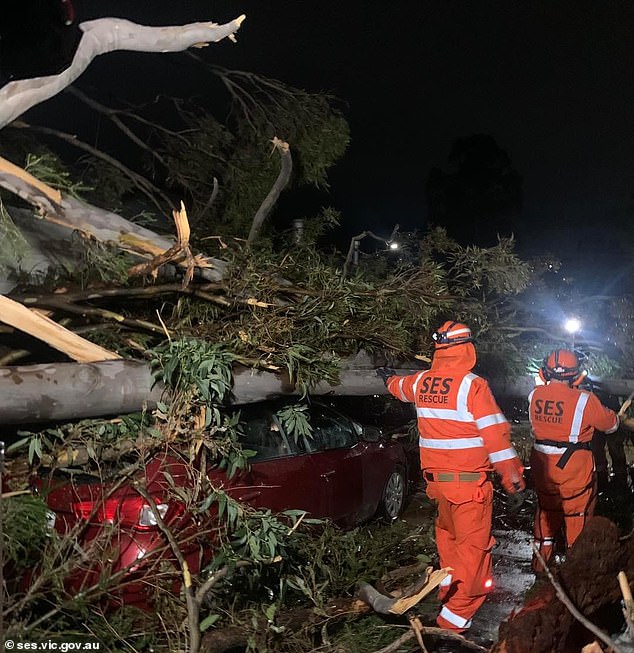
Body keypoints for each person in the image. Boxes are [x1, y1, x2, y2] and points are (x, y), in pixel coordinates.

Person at [376, 320, 525, 633]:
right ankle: (452, 622)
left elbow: (399, 388)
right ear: (467, 348)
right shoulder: (473, 386)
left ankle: (449, 592)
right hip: (469, 487)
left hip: (437, 486)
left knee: (450, 543)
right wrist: (512, 475)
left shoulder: (423, 381)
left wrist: (386, 377)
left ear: (439, 349)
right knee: (474, 550)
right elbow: (495, 435)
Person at [528, 349, 619, 572]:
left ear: (546, 371)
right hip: (573, 468)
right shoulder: (584, 400)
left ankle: (541, 566)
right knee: (577, 514)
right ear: (576, 374)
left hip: (542, 467)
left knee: (546, 512)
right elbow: (610, 425)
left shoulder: (535, 395)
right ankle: (575, 570)